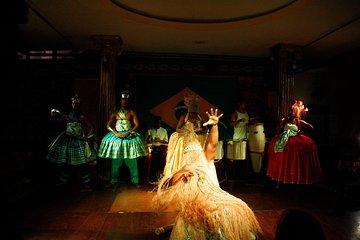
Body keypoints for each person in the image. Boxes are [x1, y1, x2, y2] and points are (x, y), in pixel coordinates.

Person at [152, 108, 262, 240]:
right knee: (196, 215)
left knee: (231, 209)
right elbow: (170, 184)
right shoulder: (184, 168)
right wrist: (183, 171)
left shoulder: (206, 160)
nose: (193, 158)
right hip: (195, 204)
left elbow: (212, 143)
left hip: (213, 198)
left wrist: (214, 126)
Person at [97, 91, 148, 190]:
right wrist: (115, 132)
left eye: (126, 100)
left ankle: (135, 180)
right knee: (115, 161)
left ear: (128, 101)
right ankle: (113, 181)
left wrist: (129, 132)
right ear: (120, 101)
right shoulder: (115, 113)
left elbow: (137, 125)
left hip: (129, 138)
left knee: (132, 160)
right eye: (122, 99)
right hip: (117, 138)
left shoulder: (131, 112)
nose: (124, 101)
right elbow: (108, 125)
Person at [46, 94, 97, 192]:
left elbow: (92, 127)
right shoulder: (66, 116)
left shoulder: (82, 117)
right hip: (68, 140)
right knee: (67, 161)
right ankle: (63, 181)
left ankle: (87, 184)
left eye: (76, 103)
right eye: (73, 103)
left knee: (83, 163)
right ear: (71, 104)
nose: (74, 105)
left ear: (79, 104)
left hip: (79, 141)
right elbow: (56, 124)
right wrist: (53, 117)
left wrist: (87, 137)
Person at [267, 100, 323, 185]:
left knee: (297, 155)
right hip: (284, 141)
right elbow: (279, 130)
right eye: (290, 110)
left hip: (295, 141)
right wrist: (281, 125)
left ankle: (295, 179)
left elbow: (311, 127)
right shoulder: (285, 120)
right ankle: (280, 179)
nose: (291, 112)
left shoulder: (298, 121)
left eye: (293, 110)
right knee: (282, 158)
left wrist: (301, 131)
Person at [163, 95, 208, 176]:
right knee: (180, 141)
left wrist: (200, 130)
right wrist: (187, 131)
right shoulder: (184, 117)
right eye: (192, 106)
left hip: (198, 137)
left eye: (195, 106)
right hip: (187, 136)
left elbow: (205, 128)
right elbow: (178, 129)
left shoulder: (200, 117)